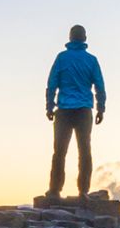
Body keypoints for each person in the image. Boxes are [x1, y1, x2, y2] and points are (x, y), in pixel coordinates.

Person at [45, 24, 106, 201]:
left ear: (70, 38)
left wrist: (50, 106)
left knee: (59, 152)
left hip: (63, 110)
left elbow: (52, 83)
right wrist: (100, 108)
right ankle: (83, 191)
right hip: (84, 111)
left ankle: (54, 190)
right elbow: (100, 86)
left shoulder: (62, 58)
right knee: (84, 150)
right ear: (85, 38)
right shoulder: (92, 60)